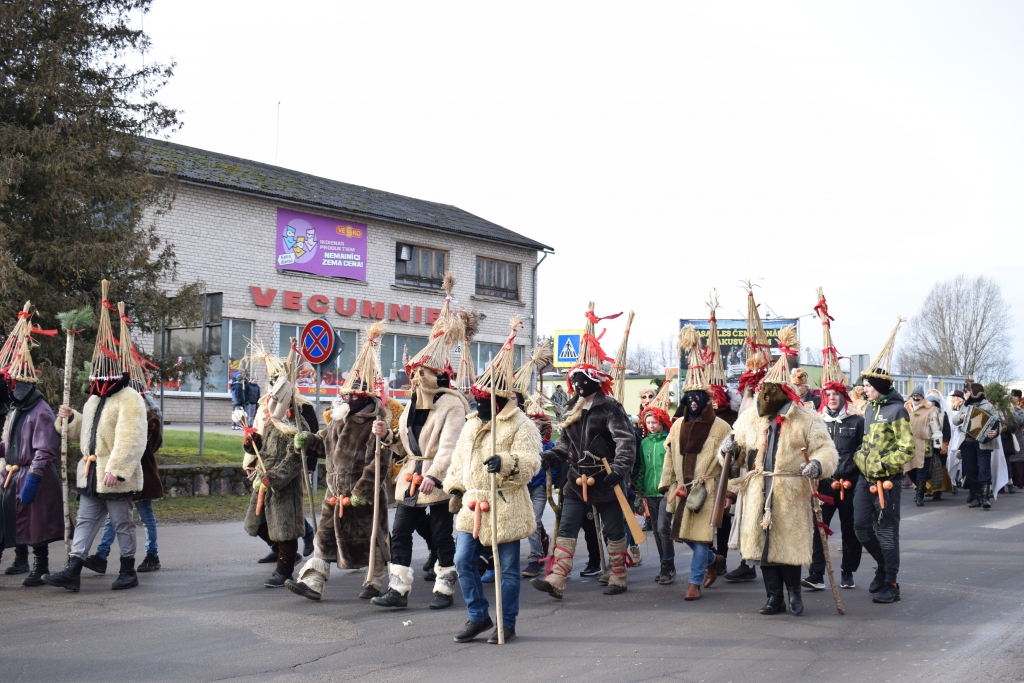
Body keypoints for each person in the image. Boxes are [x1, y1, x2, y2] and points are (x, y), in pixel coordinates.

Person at [726, 325, 838, 616]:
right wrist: (728, 449)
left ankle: (794, 594)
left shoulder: (806, 418)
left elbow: (826, 450)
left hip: (789, 491)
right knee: (764, 549)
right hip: (758, 490)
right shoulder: (751, 419)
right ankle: (773, 597)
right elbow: (738, 452)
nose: (763, 396)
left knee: (788, 548)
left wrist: (816, 465)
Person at [371, 274, 468, 610]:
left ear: (438, 374)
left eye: (422, 372)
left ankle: (444, 585)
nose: (416, 377)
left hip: (436, 481)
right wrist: (388, 438)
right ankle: (398, 589)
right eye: (414, 372)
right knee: (399, 533)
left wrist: (435, 475)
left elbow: (450, 447)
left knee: (441, 536)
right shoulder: (411, 404)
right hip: (410, 479)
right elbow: (404, 446)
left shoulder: (452, 404)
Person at [444, 320, 542, 644]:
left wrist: (506, 462)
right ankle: (478, 616)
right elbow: (460, 458)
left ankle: (507, 622)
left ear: (497, 398)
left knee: (509, 568)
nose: (477, 402)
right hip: (473, 502)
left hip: (505, 502)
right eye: (476, 397)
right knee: (461, 561)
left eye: (483, 398)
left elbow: (530, 462)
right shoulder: (472, 422)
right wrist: (456, 487)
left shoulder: (521, 424)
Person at [45, 290, 148, 592]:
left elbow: (131, 438)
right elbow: (85, 433)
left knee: (121, 524)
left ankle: (128, 570)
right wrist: (69, 418)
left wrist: (116, 469)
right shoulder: (94, 399)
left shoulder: (130, 399)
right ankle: (73, 570)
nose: (99, 377)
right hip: (91, 472)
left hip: (112, 475)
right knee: (86, 521)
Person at [532, 303, 636, 600]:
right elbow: (566, 443)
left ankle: (618, 574)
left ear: (595, 381)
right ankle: (557, 579)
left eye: (582, 379)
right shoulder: (569, 408)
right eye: (574, 379)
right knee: (567, 527)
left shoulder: (610, 407)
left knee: (614, 530)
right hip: (576, 480)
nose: (577, 384)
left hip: (606, 478)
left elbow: (625, 442)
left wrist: (619, 469)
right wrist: (552, 455)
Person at [287, 322, 392, 601]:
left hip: (362, 497)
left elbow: (379, 463)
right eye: (343, 394)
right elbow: (324, 444)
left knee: (373, 540)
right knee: (323, 538)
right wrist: (307, 440)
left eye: (350, 395)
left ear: (363, 398)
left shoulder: (377, 424)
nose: (344, 398)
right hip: (334, 495)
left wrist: (362, 493)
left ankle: (374, 580)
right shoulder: (337, 421)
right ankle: (313, 582)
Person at [658, 331, 731, 600]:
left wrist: (729, 493)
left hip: (707, 489)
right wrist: (667, 484)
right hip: (680, 488)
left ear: (707, 398)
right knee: (681, 534)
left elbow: (730, 464)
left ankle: (694, 582)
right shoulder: (677, 425)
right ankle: (714, 559)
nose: (693, 402)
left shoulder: (722, 427)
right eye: (689, 397)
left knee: (701, 537)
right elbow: (668, 455)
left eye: (698, 397)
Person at [0, 304, 64, 587]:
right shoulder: (16, 410)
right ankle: (21, 559)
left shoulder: (41, 412)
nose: (11, 389)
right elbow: (10, 443)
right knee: (9, 519)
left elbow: (45, 449)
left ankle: (40, 566)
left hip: (34, 475)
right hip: (14, 473)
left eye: (14, 385)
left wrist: (34, 477)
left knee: (37, 523)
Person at [853, 320, 915, 604]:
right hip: (864, 480)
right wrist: (859, 459)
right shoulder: (868, 410)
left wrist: (884, 465)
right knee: (861, 527)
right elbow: (865, 443)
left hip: (886, 481)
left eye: (867, 386)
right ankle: (881, 565)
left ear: (878, 386)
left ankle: (891, 581)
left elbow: (907, 448)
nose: (864, 390)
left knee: (888, 532)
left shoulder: (897, 410)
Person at [83, 380, 165, 575]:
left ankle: (152, 555)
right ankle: (101, 555)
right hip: (122, 476)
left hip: (142, 476)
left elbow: (148, 447)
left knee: (146, 518)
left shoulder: (151, 420)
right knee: (115, 518)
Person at [241, 366, 310, 588]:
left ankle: (285, 570)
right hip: (264, 481)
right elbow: (264, 450)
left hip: (284, 485)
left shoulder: (298, 425)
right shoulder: (271, 422)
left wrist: (276, 478)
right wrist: (252, 444)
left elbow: (295, 458)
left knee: (285, 529)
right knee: (256, 523)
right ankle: (281, 554)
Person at [803, 387, 863, 591]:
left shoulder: (857, 421)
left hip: (849, 484)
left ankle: (848, 571)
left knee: (851, 530)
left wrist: (850, 471)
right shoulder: (817, 422)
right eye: (828, 395)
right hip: (825, 483)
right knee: (819, 528)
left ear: (843, 396)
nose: (832, 398)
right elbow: (811, 450)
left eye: (835, 394)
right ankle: (816, 573)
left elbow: (862, 451)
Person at [637, 407, 673, 584]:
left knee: (662, 529)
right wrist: (640, 488)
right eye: (648, 423)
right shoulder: (644, 443)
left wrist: (671, 486)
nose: (651, 426)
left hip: (666, 492)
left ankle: (668, 566)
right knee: (657, 532)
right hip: (650, 493)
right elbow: (643, 467)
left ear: (662, 422)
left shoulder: (669, 441)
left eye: (654, 422)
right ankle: (664, 565)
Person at [954, 383, 1000, 509]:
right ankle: (975, 497)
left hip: (983, 442)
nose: (966, 393)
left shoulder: (988, 406)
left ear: (974, 392)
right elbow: (955, 419)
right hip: (967, 442)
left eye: (968, 391)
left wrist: (995, 432)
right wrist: (961, 417)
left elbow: (997, 423)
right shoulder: (966, 404)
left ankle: (985, 497)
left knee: (984, 468)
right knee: (970, 469)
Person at [522, 407, 555, 578]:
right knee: (529, 521)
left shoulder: (549, 445)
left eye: (538, 424)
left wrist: (545, 484)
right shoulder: (522, 444)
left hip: (539, 489)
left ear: (544, 426)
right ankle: (542, 542)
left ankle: (534, 559)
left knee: (533, 523)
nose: (535, 427)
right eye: (531, 423)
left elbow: (555, 466)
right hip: (524, 487)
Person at [905, 386, 942, 507]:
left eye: (919, 396)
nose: (916, 397)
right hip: (909, 444)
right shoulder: (905, 409)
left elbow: (935, 428)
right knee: (910, 469)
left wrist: (937, 444)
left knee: (922, 469)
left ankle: (919, 494)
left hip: (924, 444)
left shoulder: (930, 410)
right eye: (914, 395)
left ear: (922, 397)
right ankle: (921, 487)